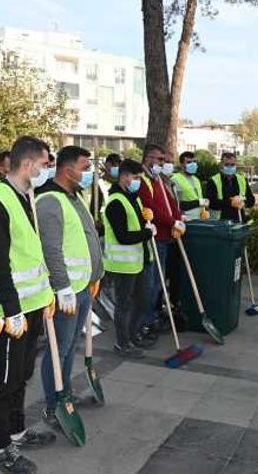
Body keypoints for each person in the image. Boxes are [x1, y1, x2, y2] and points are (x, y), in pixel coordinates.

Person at [0, 136, 56, 474]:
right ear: (28, 164)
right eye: (43, 164)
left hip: (34, 303)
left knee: (22, 375)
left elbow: (30, 253)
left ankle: (16, 431)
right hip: (16, 309)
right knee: (6, 379)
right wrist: (10, 309)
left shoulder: (26, 195)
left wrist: (48, 294)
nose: (45, 170)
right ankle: (0, 447)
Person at [36, 146, 105, 426]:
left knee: (70, 347)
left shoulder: (73, 196)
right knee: (59, 349)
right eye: (84, 167)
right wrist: (62, 287)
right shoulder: (50, 200)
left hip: (82, 287)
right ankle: (54, 405)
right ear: (67, 170)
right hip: (66, 292)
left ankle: (64, 395)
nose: (88, 173)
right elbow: (51, 249)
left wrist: (94, 275)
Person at [102, 159, 156, 358]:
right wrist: (147, 233)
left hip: (138, 261)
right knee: (124, 304)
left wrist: (147, 221)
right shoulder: (116, 202)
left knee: (142, 302)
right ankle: (122, 343)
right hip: (122, 264)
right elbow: (123, 236)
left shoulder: (134, 198)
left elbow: (140, 224)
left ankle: (132, 335)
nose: (138, 182)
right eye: (135, 178)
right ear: (124, 176)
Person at [138, 144, 183, 338]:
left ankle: (152, 317)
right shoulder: (142, 181)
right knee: (151, 284)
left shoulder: (158, 181)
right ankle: (144, 322)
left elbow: (170, 204)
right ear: (148, 159)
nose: (162, 163)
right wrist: (172, 221)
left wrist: (178, 220)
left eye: (163, 160)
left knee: (158, 283)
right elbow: (152, 209)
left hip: (165, 237)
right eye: (160, 159)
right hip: (154, 239)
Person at [206, 152, 256, 222]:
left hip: (239, 220)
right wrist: (230, 203)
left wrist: (244, 203)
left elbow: (251, 200)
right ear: (221, 165)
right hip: (219, 222)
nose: (230, 167)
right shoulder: (213, 181)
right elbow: (210, 203)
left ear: (236, 165)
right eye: (227, 164)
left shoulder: (242, 180)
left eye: (232, 165)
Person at [172, 151, 209, 220]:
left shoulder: (196, 180)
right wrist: (199, 202)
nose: (193, 164)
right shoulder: (175, 179)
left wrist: (205, 210)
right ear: (181, 164)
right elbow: (177, 204)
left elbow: (199, 199)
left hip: (199, 219)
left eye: (194, 162)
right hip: (186, 220)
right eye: (189, 162)